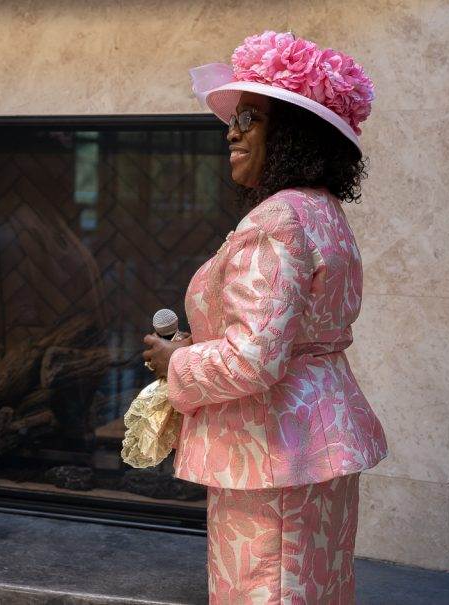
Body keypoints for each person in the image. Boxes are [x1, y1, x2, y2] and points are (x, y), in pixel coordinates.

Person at [142, 31, 388, 603]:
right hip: (313, 443)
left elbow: (255, 355)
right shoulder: (321, 211)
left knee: (265, 591)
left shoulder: (276, 220)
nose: (231, 130)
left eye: (249, 117)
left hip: (269, 452)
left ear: (292, 135)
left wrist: (178, 359)